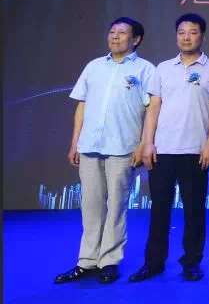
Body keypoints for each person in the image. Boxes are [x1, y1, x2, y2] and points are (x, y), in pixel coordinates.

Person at [55, 18, 154, 285]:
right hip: (90, 146)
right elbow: (81, 106)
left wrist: (143, 143)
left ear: (136, 40)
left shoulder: (146, 69)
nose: (115, 36)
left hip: (123, 148)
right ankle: (86, 261)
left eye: (122, 33)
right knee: (91, 206)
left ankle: (109, 261)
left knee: (117, 207)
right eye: (112, 32)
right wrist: (75, 142)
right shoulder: (94, 66)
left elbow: (151, 110)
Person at [129, 13, 209, 283]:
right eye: (181, 32)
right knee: (159, 210)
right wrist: (148, 143)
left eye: (192, 32)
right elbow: (153, 108)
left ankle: (191, 262)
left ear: (202, 35)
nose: (186, 37)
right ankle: (153, 262)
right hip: (162, 150)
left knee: (194, 211)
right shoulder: (162, 68)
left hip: (195, 151)